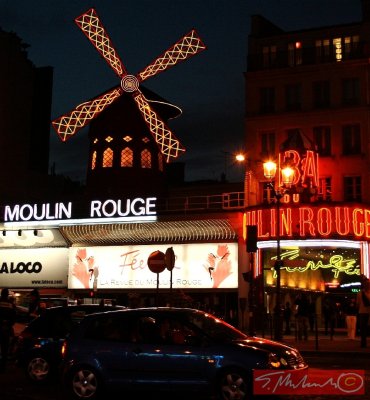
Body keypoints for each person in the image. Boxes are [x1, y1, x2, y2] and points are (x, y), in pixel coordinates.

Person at [0, 288, 16, 372]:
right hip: (6, 329)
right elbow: (14, 317)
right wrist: (8, 324)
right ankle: (3, 367)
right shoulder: (11, 304)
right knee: (5, 349)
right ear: (7, 294)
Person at [356, 279, 370, 348]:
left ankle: (363, 343)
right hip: (364, 312)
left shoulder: (359, 293)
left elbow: (357, 304)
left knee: (363, 328)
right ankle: (363, 343)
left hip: (362, 312)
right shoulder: (360, 293)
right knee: (363, 328)